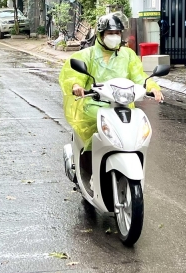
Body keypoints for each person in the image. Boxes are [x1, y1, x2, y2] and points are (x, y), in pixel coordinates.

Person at [58, 13, 165, 174]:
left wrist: (152, 87)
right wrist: (76, 85)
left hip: (122, 104)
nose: (114, 36)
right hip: (95, 104)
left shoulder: (128, 55)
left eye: (117, 33)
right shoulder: (87, 55)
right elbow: (74, 75)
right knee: (97, 123)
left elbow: (139, 76)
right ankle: (88, 165)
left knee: (136, 126)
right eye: (110, 33)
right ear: (101, 35)